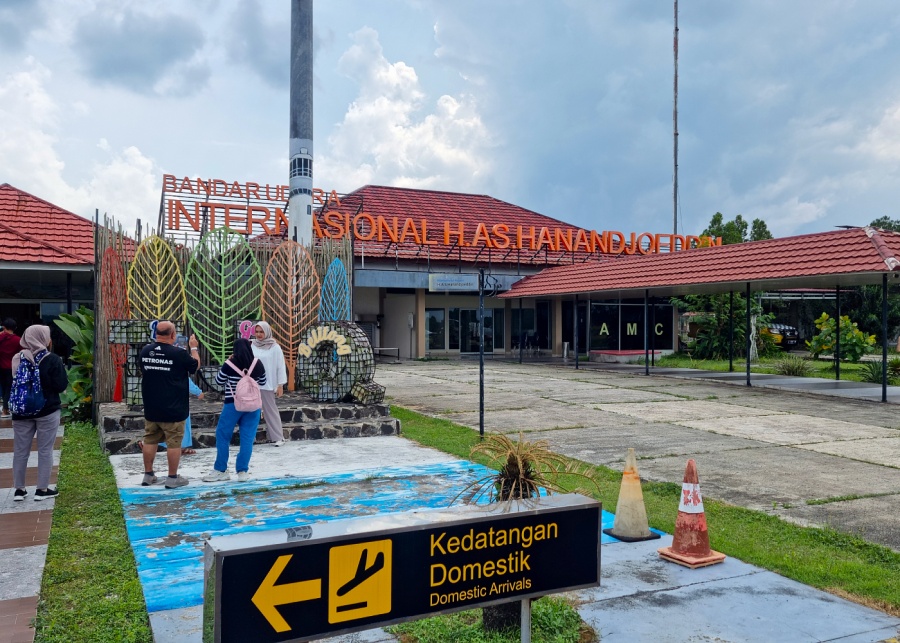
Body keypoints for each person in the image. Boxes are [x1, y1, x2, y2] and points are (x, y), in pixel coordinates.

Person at [138, 321, 199, 489]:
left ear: (156, 333)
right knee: (174, 443)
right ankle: (172, 477)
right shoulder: (178, 353)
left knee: (150, 439)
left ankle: (148, 475)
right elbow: (195, 366)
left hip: (152, 406)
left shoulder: (145, 351)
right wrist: (194, 348)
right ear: (173, 335)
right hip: (174, 408)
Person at [11, 325, 68, 501]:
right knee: (45, 450)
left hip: (21, 412)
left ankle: (19, 490)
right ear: (43, 338)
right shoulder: (52, 359)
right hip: (47, 411)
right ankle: (42, 490)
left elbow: (14, 381)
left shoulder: (17, 358)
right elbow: (61, 385)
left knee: (20, 451)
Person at [203, 338, 266, 483]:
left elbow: (219, 381)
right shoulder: (257, 363)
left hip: (233, 404)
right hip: (253, 406)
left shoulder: (230, 364)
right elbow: (263, 382)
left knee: (223, 435)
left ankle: (221, 470)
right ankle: (242, 471)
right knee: (247, 438)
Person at [251, 321, 288, 446]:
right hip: (252, 384)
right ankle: (249, 438)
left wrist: (280, 384)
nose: (259, 334)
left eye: (261, 332)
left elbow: (280, 366)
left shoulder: (274, 347)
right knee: (250, 411)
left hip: (268, 383)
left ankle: (278, 437)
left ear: (267, 332)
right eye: (257, 332)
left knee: (270, 410)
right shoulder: (252, 345)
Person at [0, 318, 22, 418]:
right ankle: (6, 409)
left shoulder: (1, 338)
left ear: (4, 327)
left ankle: (5, 409)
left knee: (3, 387)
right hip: (12, 367)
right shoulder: (17, 340)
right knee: (9, 388)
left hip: (1, 366)